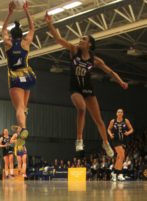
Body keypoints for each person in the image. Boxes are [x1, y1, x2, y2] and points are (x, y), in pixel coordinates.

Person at [45, 13, 128, 157]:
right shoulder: (74, 50)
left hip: (88, 90)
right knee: (82, 109)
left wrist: (121, 81)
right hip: (75, 89)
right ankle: (79, 140)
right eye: (81, 38)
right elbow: (58, 38)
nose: (80, 40)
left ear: (89, 44)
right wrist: (49, 23)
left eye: (84, 39)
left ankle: (105, 143)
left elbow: (110, 71)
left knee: (99, 120)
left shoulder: (95, 60)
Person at [2, 2, 36, 139]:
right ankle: (22, 128)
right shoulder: (26, 42)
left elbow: (3, 30)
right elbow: (32, 28)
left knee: (19, 108)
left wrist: (9, 13)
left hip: (15, 77)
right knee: (24, 107)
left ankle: (23, 128)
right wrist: (26, 11)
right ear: (22, 35)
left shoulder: (8, 43)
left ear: (11, 36)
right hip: (28, 76)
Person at [107, 109, 134, 181]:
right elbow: (108, 129)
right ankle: (119, 173)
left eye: (121, 112)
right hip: (115, 140)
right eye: (118, 112)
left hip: (123, 140)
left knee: (119, 157)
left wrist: (128, 133)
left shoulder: (126, 120)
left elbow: (131, 129)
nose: (120, 113)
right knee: (122, 155)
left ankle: (114, 173)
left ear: (123, 114)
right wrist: (110, 134)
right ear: (116, 113)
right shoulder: (113, 121)